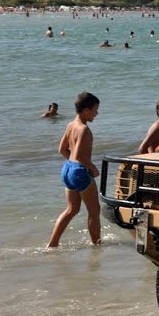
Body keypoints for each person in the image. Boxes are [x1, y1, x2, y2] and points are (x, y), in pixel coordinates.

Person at [47, 91, 102, 247]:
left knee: (71, 209)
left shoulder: (70, 125)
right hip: (79, 171)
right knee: (94, 211)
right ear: (86, 110)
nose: (97, 113)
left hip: (67, 169)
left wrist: (73, 165)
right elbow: (79, 155)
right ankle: (97, 245)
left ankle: (52, 244)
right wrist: (93, 168)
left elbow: (62, 149)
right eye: (95, 110)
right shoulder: (84, 129)